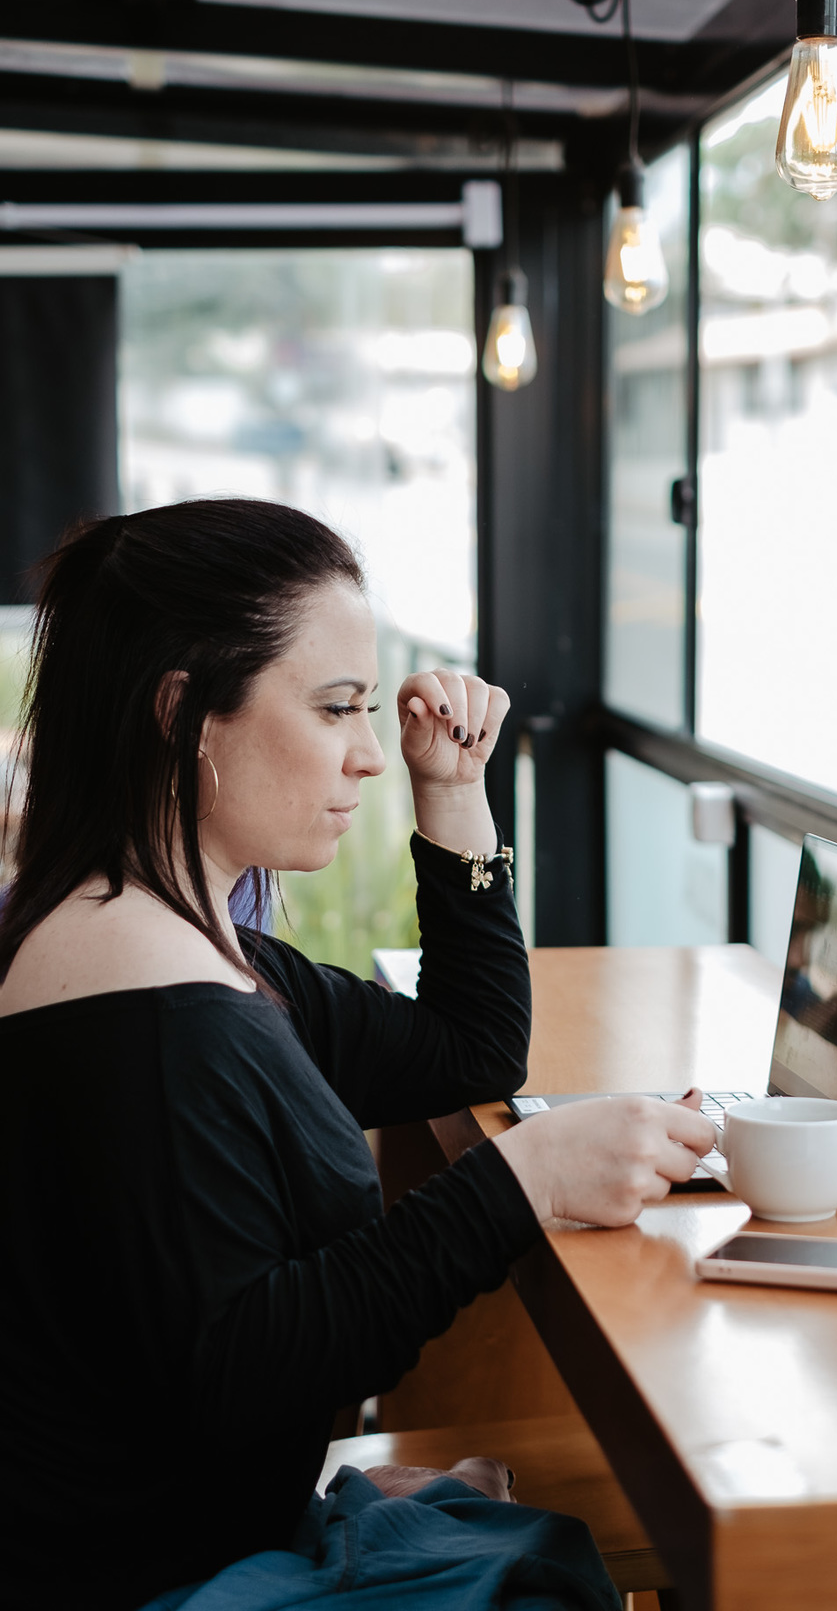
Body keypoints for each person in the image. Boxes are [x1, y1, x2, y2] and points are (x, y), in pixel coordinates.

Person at [0, 499, 714, 1611]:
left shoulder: (179, 946)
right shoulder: (144, 1008)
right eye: (336, 710)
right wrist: (524, 1183)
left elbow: (472, 1049)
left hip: (194, 1537)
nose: (371, 756)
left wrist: (456, 791)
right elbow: (243, 1374)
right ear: (185, 714)